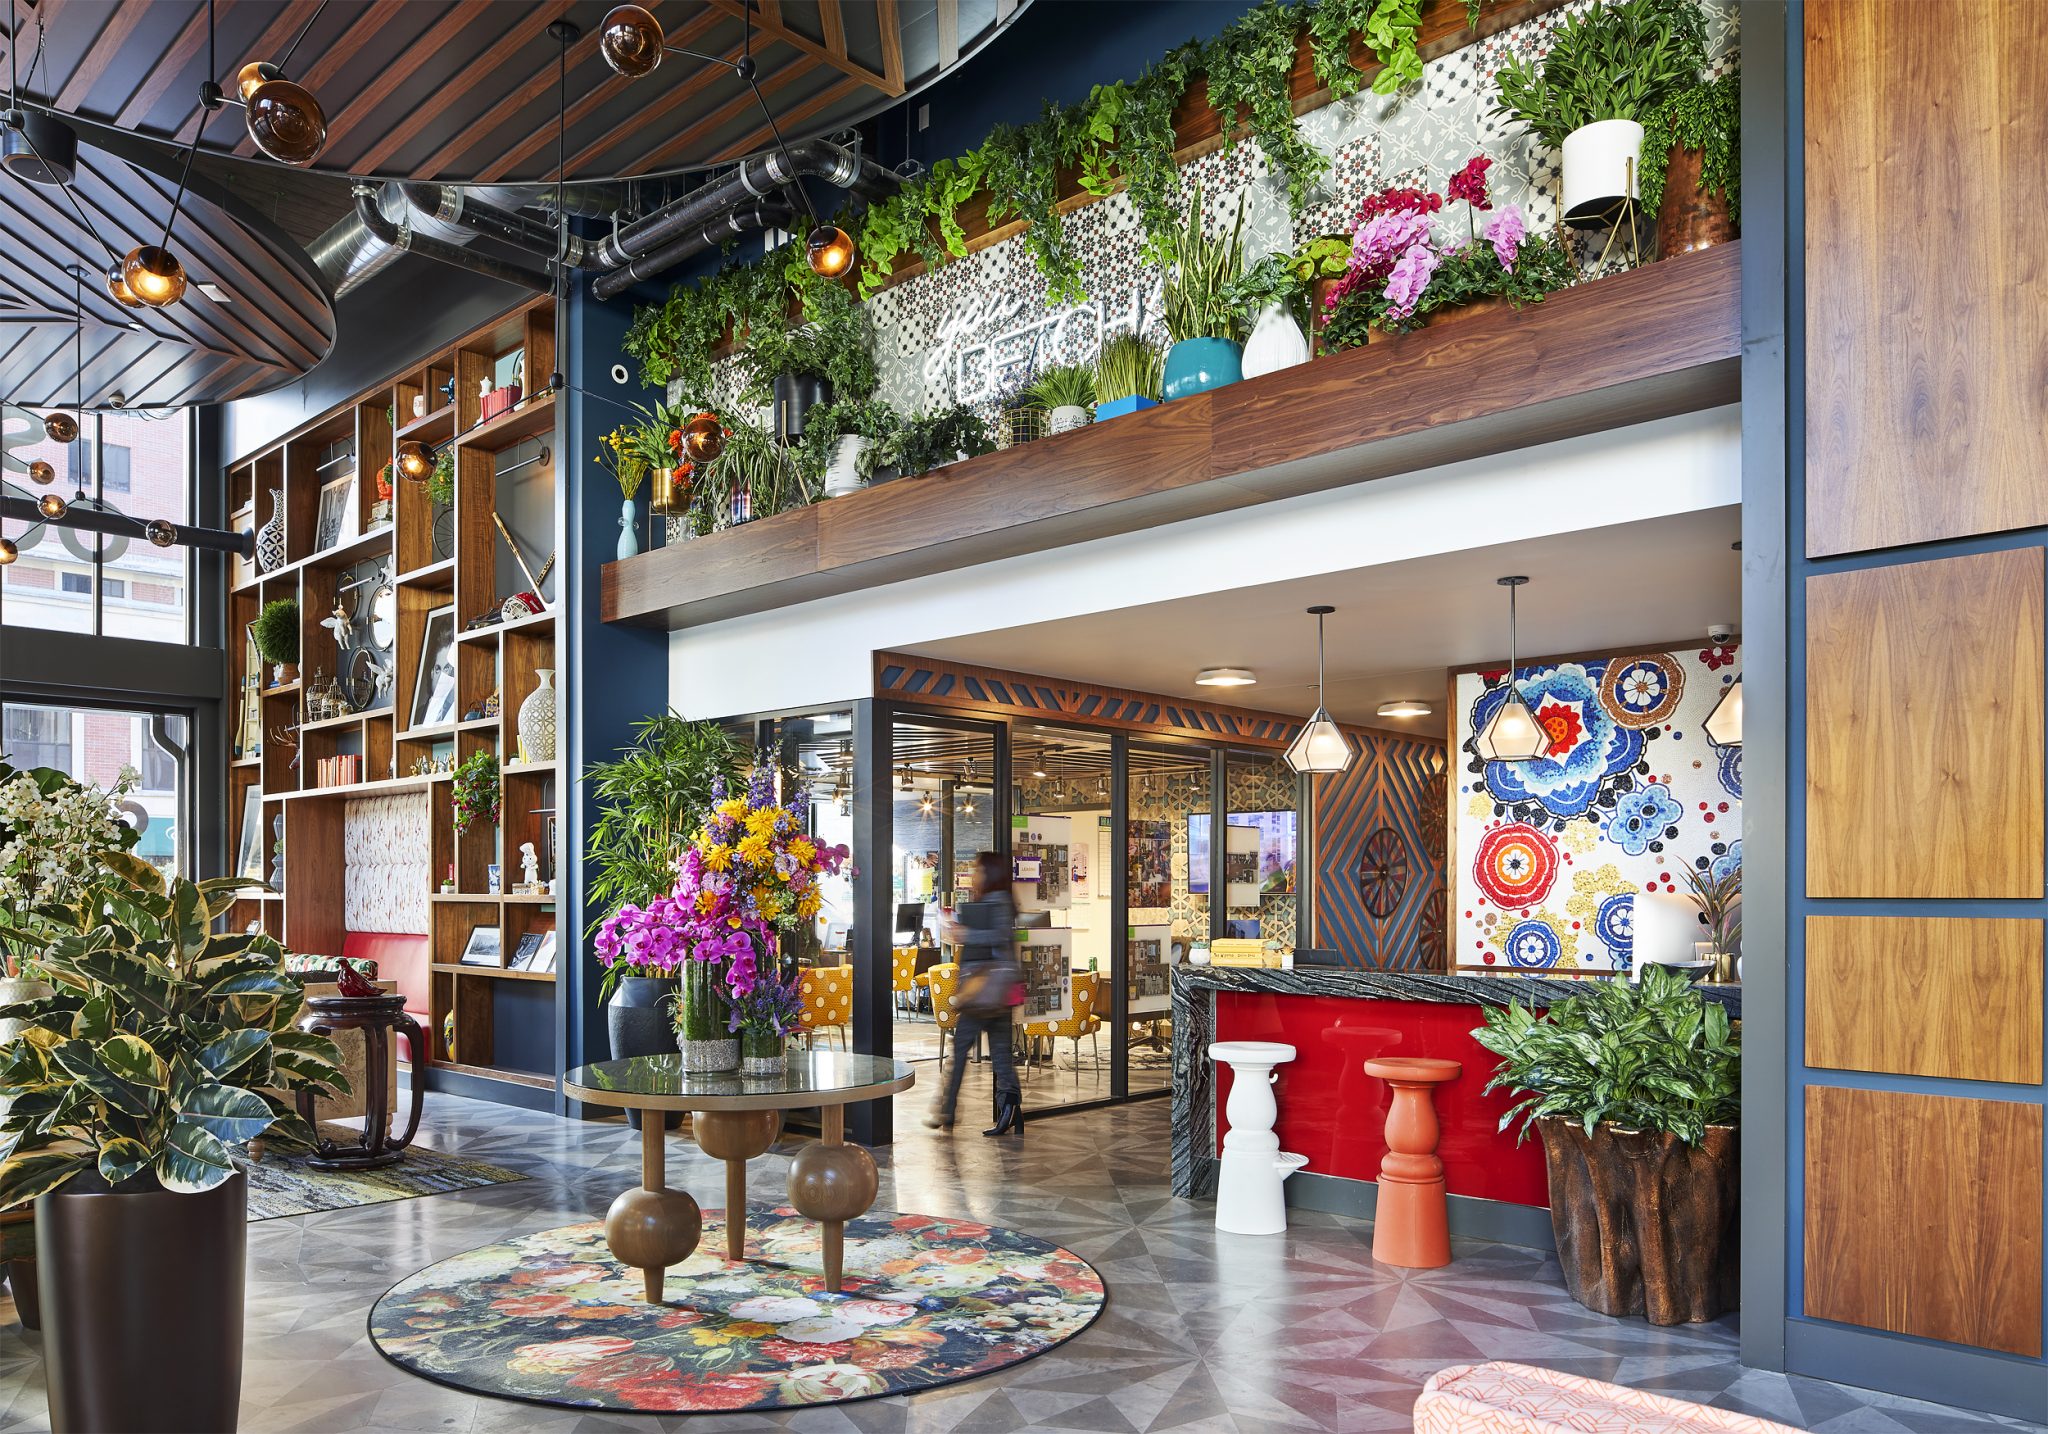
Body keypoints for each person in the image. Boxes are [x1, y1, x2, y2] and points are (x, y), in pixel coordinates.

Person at [926, 851, 1023, 1138]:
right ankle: (1005, 1110)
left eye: (978, 870)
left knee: (963, 1051)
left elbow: (1001, 935)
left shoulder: (999, 901)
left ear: (990, 873)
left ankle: (949, 1110)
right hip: (992, 991)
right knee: (998, 1054)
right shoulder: (994, 900)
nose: (974, 875)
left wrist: (966, 934)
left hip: (985, 990)